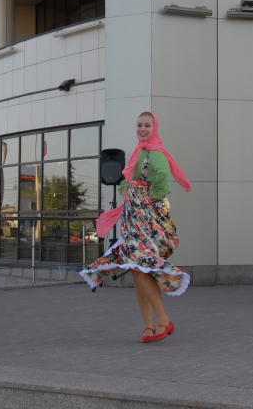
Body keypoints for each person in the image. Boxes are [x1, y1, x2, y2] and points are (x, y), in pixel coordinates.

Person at [81, 112, 192, 343]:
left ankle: (163, 320)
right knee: (136, 268)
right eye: (139, 125)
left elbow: (162, 174)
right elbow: (128, 176)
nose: (142, 129)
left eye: (147, 125)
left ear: (154, 128)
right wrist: (127, 189)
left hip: (146, 220)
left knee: (139, 265)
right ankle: (149, 326)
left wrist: (152, 195)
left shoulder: (155, 152)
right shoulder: (140, 151)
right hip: (135, 218)